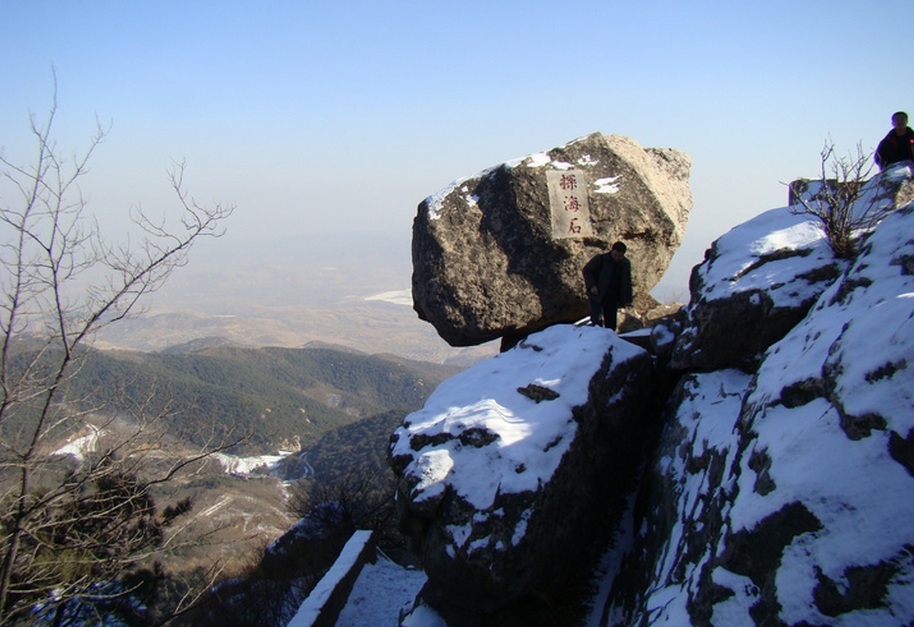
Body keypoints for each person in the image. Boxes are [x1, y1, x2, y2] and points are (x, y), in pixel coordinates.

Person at [582, 241, 633, 331]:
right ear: (612, 251)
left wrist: (628, 299)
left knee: (611, 325)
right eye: (615, 255)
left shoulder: (625, 264)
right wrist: (592, 285)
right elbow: (587, 270)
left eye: (620, 256)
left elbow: (627, 282)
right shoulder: (601, 259)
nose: (617, 258)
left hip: (613, 298)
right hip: (598, 296)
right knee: (597, 323)